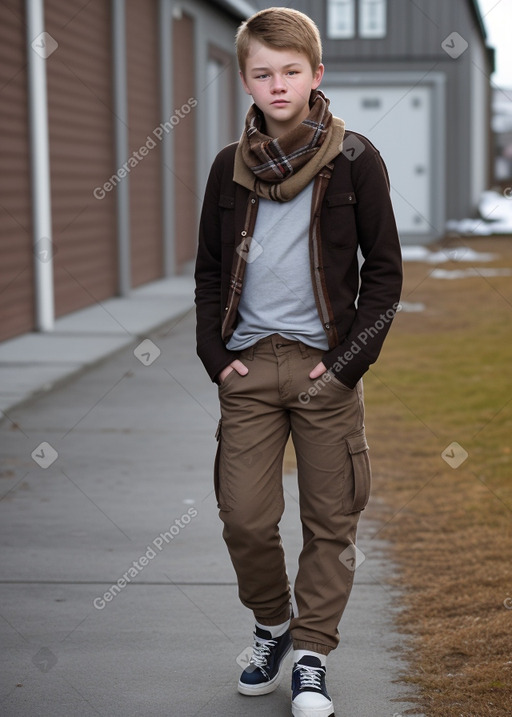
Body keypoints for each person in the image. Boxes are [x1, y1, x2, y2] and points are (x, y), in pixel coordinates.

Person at [194, 7, 402, 716]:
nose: (276, 85)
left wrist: (346, 364)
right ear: (246, 79)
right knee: (244, 517)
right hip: (249, 368)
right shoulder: (229, 166)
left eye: (290, 71)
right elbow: (210, 272)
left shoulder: (356, 159)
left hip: (324, 370)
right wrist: (215, 356)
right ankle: (274, 625)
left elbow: (385, 276)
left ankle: (311, 652)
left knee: (331, 519)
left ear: (316, 75)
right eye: (262, 73)